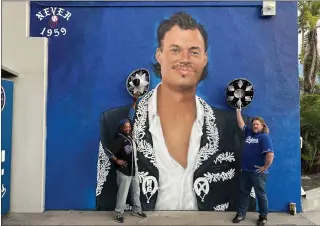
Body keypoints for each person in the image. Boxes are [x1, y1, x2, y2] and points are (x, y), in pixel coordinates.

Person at [97, 11, 256, 211]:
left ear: (205, 58)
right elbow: (105, 199)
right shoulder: (114, 121)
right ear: (159, 54)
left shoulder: (233, 127)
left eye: (194, 51)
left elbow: (246, 199)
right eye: (175, 50)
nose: (185, 59)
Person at [232, 106, 274, 226]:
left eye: (257, 124)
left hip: (257, 173)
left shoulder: (264, 137)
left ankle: (263, 216)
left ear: (262, 126)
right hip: (245, 171)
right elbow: (241, 124)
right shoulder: (249, 132)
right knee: (244, 192)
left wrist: (265, 167)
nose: (255, 126)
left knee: (260, 195)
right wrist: (237, 111)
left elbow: (270, 154)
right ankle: (241, 214)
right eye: (254, 124)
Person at [107, 118, 147, 223]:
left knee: (136, 191)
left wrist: (134, 103)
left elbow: (131, 116)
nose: (127, 128)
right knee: (123, 193)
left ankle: (136, 210)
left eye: (129, 126)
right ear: (121, 128)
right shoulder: (119, 138)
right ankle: (118, 214)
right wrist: (116, 160)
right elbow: (108, 150)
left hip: (134, 169)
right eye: (125, 127)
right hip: (124, 170)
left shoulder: (128, 136)